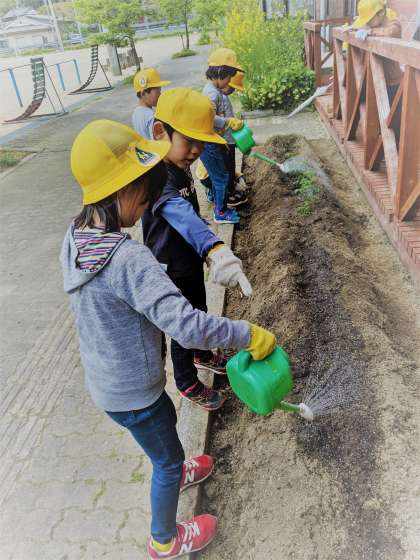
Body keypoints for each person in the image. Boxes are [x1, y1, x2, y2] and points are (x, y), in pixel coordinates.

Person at [61, 119, 277, 559]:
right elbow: (189, 327)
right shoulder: (128, 259)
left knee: (163, 432)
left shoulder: (76, 238)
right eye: (144, 188)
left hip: (107, 381)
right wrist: (247, 334)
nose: (148, 199)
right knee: (164, 458)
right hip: (134, 391)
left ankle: (175, 467)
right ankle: (164, 539)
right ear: (123, 189)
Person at [143, 87, 252, 412]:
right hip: (170, 267)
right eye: (189, 141)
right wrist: (213, 246)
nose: (195, 150)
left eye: (200, 143)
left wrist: (204, 249)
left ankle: (201, 353)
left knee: (200, 308)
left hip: (188, 260)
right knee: (183, 326)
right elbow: (180, 213)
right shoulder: (156, 176)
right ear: (160, 131)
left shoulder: (178, 164)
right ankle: (187, 382)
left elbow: (191, 211)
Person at [201, 48, 246, 224]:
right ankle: (220, 212)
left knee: (220, 177)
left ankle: (218, 202)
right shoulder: (211, 93)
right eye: (228, 77)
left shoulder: (215, 91)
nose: (229, 81)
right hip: (209, 144)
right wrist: (227, 121)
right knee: (221, 178)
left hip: (214, 142)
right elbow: (209, 118)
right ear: (220, 73)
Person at [352, 0, 402, 143]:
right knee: (374, 113)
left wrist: (371, 32)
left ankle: (395, 151)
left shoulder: (393, 22)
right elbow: (357, 27)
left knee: (394, 120)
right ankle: (380, 147)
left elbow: (392, 32)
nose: (367, 23)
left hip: (392, 81)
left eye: (369, 19)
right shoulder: (374, 24)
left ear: (380, 13)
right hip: (375, 77)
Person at [132, 68, 170, 139]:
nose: (160, 94)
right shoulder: (151, 117)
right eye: (157, 92)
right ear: (143, 94)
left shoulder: (135, 113)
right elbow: (159, 141)